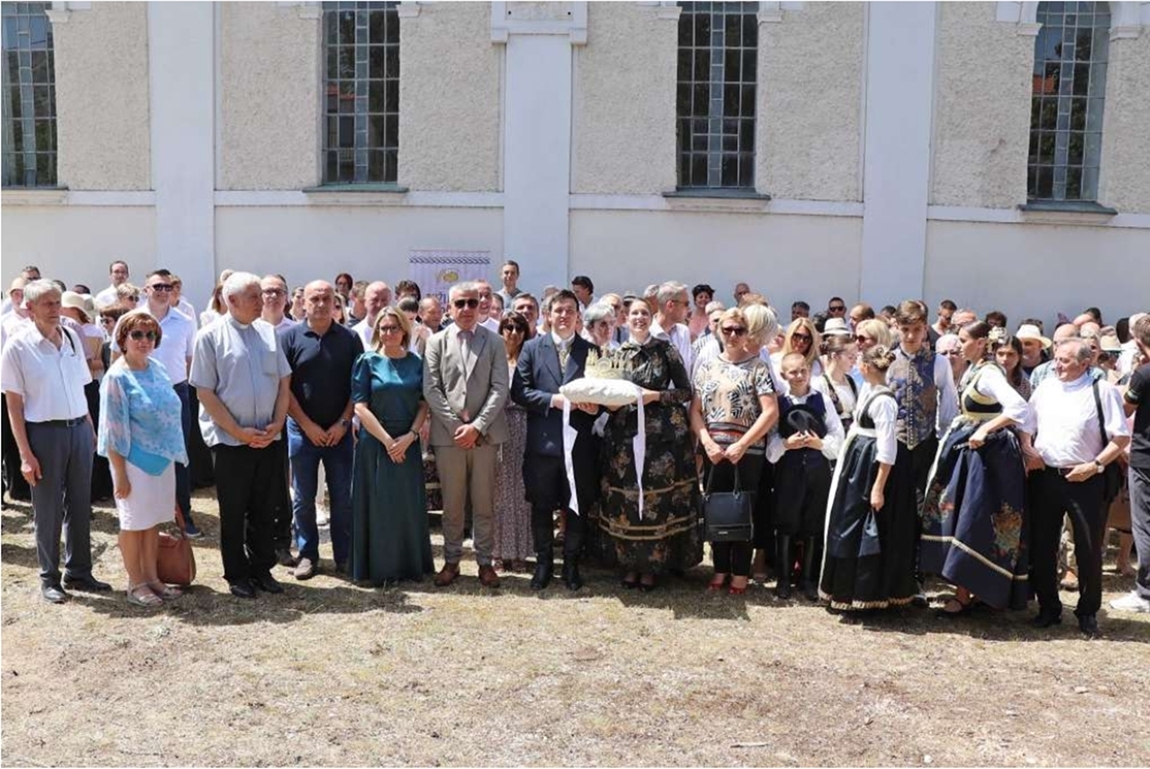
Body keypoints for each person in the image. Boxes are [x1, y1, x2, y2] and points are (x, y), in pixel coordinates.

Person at [1, 280, 112, 602]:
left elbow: (81, 387)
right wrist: (24, 453)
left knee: (80, 502)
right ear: (30, 309)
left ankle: (79, 571)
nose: (54, 309)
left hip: (78, 428)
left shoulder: (72, 339)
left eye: (56, 302)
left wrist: (89, 427)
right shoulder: (18, 347)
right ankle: (49, 577)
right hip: (44, 433)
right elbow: (14, 405)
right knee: (47, 508)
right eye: (46, 304)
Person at [190, 272, 292, 599]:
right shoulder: (209, 337)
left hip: (267, 436)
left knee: (266, 507)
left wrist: (277, 422)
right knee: (233, 510)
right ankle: (237, 573)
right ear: (230, 300)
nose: (262, 302)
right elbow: (205, 392)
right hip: (230, 441)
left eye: (261, 295)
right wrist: (238, 432)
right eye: (254, 297)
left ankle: (262, 568)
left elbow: (283, 382)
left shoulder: (268, 333)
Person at [920, 323, 1031, 614]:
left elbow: (1019, 408)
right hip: (974, 455)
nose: (959, 346)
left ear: (981, 343)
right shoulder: (975, 370)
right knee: (966, 518)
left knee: (976, 519)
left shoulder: (989, 374)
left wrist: (985, 429)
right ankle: (969, 591)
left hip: (988, 458)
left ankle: (969, 594)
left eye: (964, 340)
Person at [1026, 338, 1130, 637]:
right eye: (1056, 359)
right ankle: (1049, 608)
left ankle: (1087, 611)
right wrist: (1028, 449)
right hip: (1046, 476)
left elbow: (1119, 438)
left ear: (1085, 363)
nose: (1057, 365)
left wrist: (1095, 466)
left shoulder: (1103, 391)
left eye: (1065, 360)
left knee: (1088, 547)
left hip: (1086, 478)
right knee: (1043, 545)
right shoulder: (1045, 388)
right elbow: (1027, 426)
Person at [599, 298, 700, 592]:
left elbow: (685, 391)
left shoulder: (665, 349)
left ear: (651, 317)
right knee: (627, 503)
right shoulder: (617, 353)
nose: (640, 318)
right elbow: (606, 394)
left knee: (656, 503)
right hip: (624, 440)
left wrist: (654, 396)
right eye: (634, 314)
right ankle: (630, 566)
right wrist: (609, 404)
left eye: (645, 313)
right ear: (625, 319)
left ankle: (652, 567)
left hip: (661, 443)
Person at [98, 310, 189, 606]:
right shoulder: (117, 376)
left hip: (162, 460)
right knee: (133, 523)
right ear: (123, 338)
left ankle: (153, 579)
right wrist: (120, 473)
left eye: (150, 335)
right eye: (137, 334)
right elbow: (111, 431)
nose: (144, 340)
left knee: (152, 523)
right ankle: (135, 583)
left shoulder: (158, 368)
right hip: (132, 462)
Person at [423, 282, 510, 588]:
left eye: (472, 303)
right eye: (460, 303)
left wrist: (477, 427)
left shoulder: (494, 341)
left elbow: (501, 388)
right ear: (449, 307)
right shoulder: (436, 342)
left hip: (484, 436)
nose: (466, 309)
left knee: (484, 502)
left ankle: (485, 563)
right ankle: (451, 561)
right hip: (449, 438)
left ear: (480, 305)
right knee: (453, 504)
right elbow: (431, 389)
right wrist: (455, 426)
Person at [512, 289, 600, 591]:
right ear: (548, 315)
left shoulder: (591, 351)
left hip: (580, 446)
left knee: (576, 507)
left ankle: (572, 566)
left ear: (578, 316)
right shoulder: (532, 348)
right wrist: (553, 400)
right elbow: (519, 391)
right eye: (558, 310)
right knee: (541, 506)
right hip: (543, 445)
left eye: (570, 310)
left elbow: (601, 393)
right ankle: (544, 564)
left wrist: (594, 406)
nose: (564, 316)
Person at [690, 307, 778, 595]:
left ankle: (740, 573)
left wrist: (744, 443)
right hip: (715, 449)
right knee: (717, 510)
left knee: (743, 513)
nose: (732, 335)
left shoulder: (758, 367)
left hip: (746, 452)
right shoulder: (707, 366)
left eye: (738, 330)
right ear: (719, 331)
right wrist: (706, 442)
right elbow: (696, 411)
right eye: (726, 329)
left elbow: (770, 411)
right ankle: (719, 568)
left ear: (746, 334)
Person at [280, 281, 363, 579]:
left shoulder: (350, 338)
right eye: (315, 298)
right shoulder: (289, 338)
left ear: (335, 303)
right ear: (302, 302)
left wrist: (343, 422)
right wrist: (307, 425)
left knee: (342, 497)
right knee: (303, 498)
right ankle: (308, 554)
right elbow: (284, 389)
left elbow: (359, 385)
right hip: (302, 432)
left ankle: (344, 555)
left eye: (327, 298)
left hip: (339, 433)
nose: (321, 303)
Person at [820, 345, 909, 611]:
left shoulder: (883, 401)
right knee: (848, 523)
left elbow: (887, 448)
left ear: (866, 368)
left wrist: (878, 488)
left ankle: (868, 592)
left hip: (869, 469)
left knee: (866, 527)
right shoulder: (868, 391)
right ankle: (844, 590)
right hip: (857, 466)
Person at [349, 307, 433, 584]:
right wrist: (387, 441)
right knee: (379, 505)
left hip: (407, 443)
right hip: (375, 444)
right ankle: (380, 568)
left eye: (394, 328)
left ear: (404, 331)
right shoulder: (367, 361)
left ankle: (408, 566)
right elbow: (360, 407)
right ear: (377, 332)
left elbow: (423, 403)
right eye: (384, 328)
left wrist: (409, 437)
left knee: (405, 505)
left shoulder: (416, 362)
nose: (389, 333)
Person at [887, 300, 958, 602]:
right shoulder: (887, 358)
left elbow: (949, 403)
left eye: (916, 329)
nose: (911, 336)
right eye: (905, 329)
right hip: (894, 444)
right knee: (893, 508)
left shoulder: (938, 362)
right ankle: (891, 574)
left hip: (924, 444)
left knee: (919, 511)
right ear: (897, 328)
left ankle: (915, 578)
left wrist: (942, 439)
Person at [121, 271, 201, 538]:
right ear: (146, 289)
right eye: (157, 286)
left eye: (168, 286)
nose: (163, 290)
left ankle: (183, 516)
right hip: (139, 390)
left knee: (179, 455)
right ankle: (148, 517)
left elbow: (190, 359)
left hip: (175, 392)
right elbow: (117, 358)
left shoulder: (185, 320)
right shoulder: (130, 319)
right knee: (142, 455)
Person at [768, 352, 843, 600]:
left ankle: (809, 579)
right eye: (793, 372)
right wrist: (786, 445)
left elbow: (838, 435)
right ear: (783, 375)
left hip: (817, 469)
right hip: (788, 471)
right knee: (786, 523)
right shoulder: (779, 403)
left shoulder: (822, 400)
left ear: (809, 371)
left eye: (803, 371)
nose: (799, 376)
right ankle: (784, 578)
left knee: (813, 523)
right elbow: (771, 442)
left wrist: (819, 444)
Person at [1111, 314, 1150, 613]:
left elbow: (1124, 408)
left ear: (1138, 342)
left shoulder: (1144, 374)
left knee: (1144, 525)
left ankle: (1145, 593)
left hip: (1145, 459)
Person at [492, 312, 533, 573]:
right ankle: (497, 550)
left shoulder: (530, 359)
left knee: (522, 492)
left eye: (519, 328)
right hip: (496, 424)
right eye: (508, 327)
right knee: (496, 490)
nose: (513, 332)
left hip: (524, 424)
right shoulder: (493, 358)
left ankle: (520, 552)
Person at [818, 333, 859, 434]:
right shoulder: (820, 384)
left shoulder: (851, 382)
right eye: (850, 357)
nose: (854, 362)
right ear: (835, 356)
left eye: (855, 357)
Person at [652, 281, 694, 373]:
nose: (689, 308)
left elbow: (686, 370)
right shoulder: (646, 333)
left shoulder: (683, 332)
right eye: (686, 304)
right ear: (670, 305)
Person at [771, 318, 823, 388]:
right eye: (797, 336)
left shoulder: (815, 365)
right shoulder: (774, 361)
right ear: (790, 335)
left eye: (806, 339)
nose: (801, 341)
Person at [352, 281, 392, 350]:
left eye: (384, 300)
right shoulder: (354, 335)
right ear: (365, 302)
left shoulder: (399, 334)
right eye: (375, 300)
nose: (379, 305)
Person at [995, 333, 1032, 400]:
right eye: (1000, 354)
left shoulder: (1024, 385)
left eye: (1010, 354)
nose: (1005, 358)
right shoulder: (985, 379)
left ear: (1019, 357)